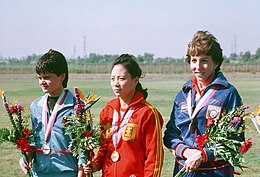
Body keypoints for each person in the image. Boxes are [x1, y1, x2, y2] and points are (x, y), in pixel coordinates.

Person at [163, 31, 244, 177]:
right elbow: (170, 135)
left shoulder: (228, 93)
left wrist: (203, 155)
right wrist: (186, 152)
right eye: (194, 60)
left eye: (204, 61)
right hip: (184, 171)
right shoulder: (183, 95)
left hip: (215, 172)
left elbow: (236, 141)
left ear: (216, 63)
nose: (198, 66)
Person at [83, 54, 164, 176]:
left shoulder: (147, 113)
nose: (116, 83)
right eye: (112, 78)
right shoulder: (107, 111)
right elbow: (105, 148)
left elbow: (154, 156)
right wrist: (95, 164)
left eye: (121, 79)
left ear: (135, 80)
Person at [19, 49, 86, 177]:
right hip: (40, 172)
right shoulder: (36, 106)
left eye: (47, 77)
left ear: (62, 76)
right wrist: (26, 156)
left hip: (67, 172)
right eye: (40, 78)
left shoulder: (78, 106)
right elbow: (35, 139)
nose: (42, 82)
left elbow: (83, 144)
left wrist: (81, 169)